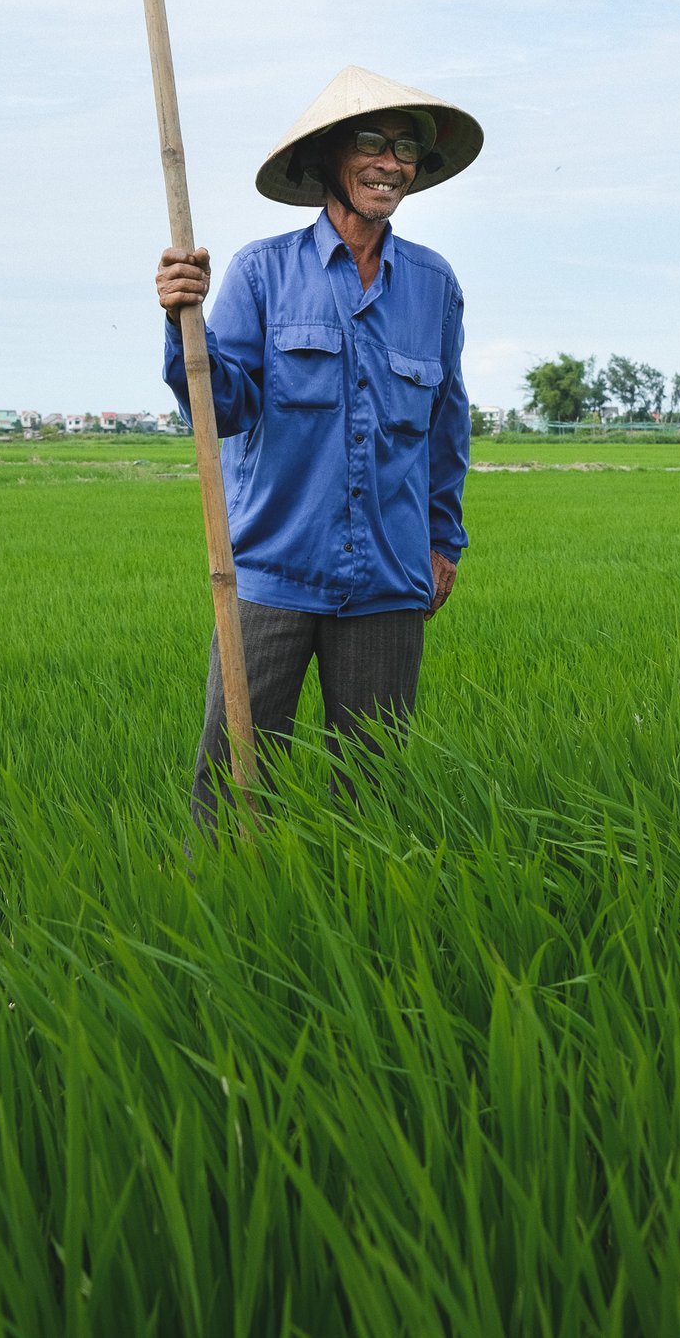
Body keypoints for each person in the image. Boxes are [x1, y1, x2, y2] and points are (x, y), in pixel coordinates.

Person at [156, 65, 483, 827]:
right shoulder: (263, 272)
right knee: (235, 783)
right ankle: (226, 918)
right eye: (372, 141)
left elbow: (446, 426)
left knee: (374, 792)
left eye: (406, 149)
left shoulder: (434, 285)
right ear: (329, 160)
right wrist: (184, 323)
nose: (391, 162)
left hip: (389, 578)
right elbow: (224, 407)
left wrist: (445, 540)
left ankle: (358, 926)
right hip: (271, 572)